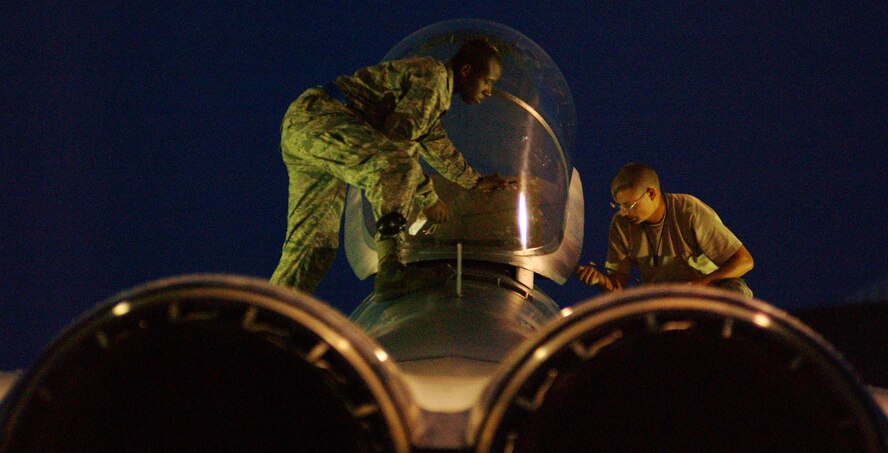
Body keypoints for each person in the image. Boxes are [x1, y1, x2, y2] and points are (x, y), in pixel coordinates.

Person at [271, 39, 511, 299]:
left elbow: (439, 148)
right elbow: (398, 147)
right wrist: (428, 198)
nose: (488, 91)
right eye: (488, 81)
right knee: (397, 165)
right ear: (466, 71)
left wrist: (476, 182)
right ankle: (391, 271)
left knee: (315, 246)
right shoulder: (433, 79)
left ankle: (265, 318)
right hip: (322, 118)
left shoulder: (432, 94)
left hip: (310, 127)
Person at [576, 163, 754, 296]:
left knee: (734, 289)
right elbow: (618, 289)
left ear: (651, 194)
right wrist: (599, 281)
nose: (623, 212)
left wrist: (696, 287)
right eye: (618, 205)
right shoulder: (621, 225)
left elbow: (744, 261)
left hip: (707, 294)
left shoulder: (688, 210)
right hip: (664, 302)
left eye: (629, 205)